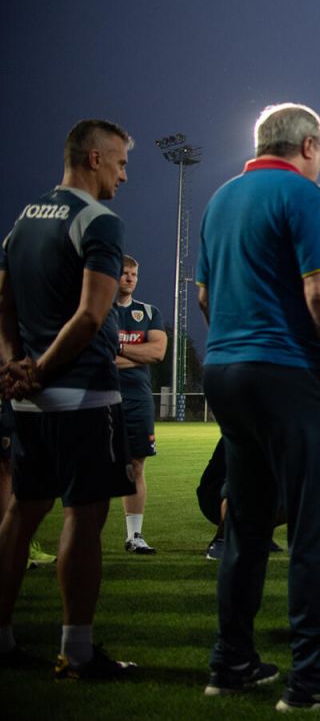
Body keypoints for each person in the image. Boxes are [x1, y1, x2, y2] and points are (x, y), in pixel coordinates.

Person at [196, 103, 320, 708]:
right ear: (307, 144)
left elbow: (203, 293)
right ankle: (312, 674)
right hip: (288, 375)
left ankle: (232, 661)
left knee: (246, 526)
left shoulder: (221, 198)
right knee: (315, 524)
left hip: (225, 371)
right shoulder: (303, 195)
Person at [0, 119, 137, 677]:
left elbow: (3, 304)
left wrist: (14, 367)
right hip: (82, 396)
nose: (125, 176)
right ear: (96, 158)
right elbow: (90, 315)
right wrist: (42, 370)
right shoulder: (99, 221)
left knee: (19, 515)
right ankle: (77, 651)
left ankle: (3, 639)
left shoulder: (23, 220)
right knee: (84, 518)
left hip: (28, 402)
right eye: (122, 163)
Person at [113, 255, 168, 555]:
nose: (130, 278)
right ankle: (84, 536)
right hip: (101, 399)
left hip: (138, 400)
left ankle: (134, 536)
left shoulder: (149, 312)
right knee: (93, 467)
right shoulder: (99, 310)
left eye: (134, 273)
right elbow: (96, 356)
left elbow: (158, 352)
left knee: (136, 466)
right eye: (124, 273)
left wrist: (118, 348)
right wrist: (138, 352)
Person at [0, 398, 57, 569]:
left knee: (13, 468)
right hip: (8, 397)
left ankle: (21, 544)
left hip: (18, 402)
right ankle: (11, 545)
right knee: (5, 469)